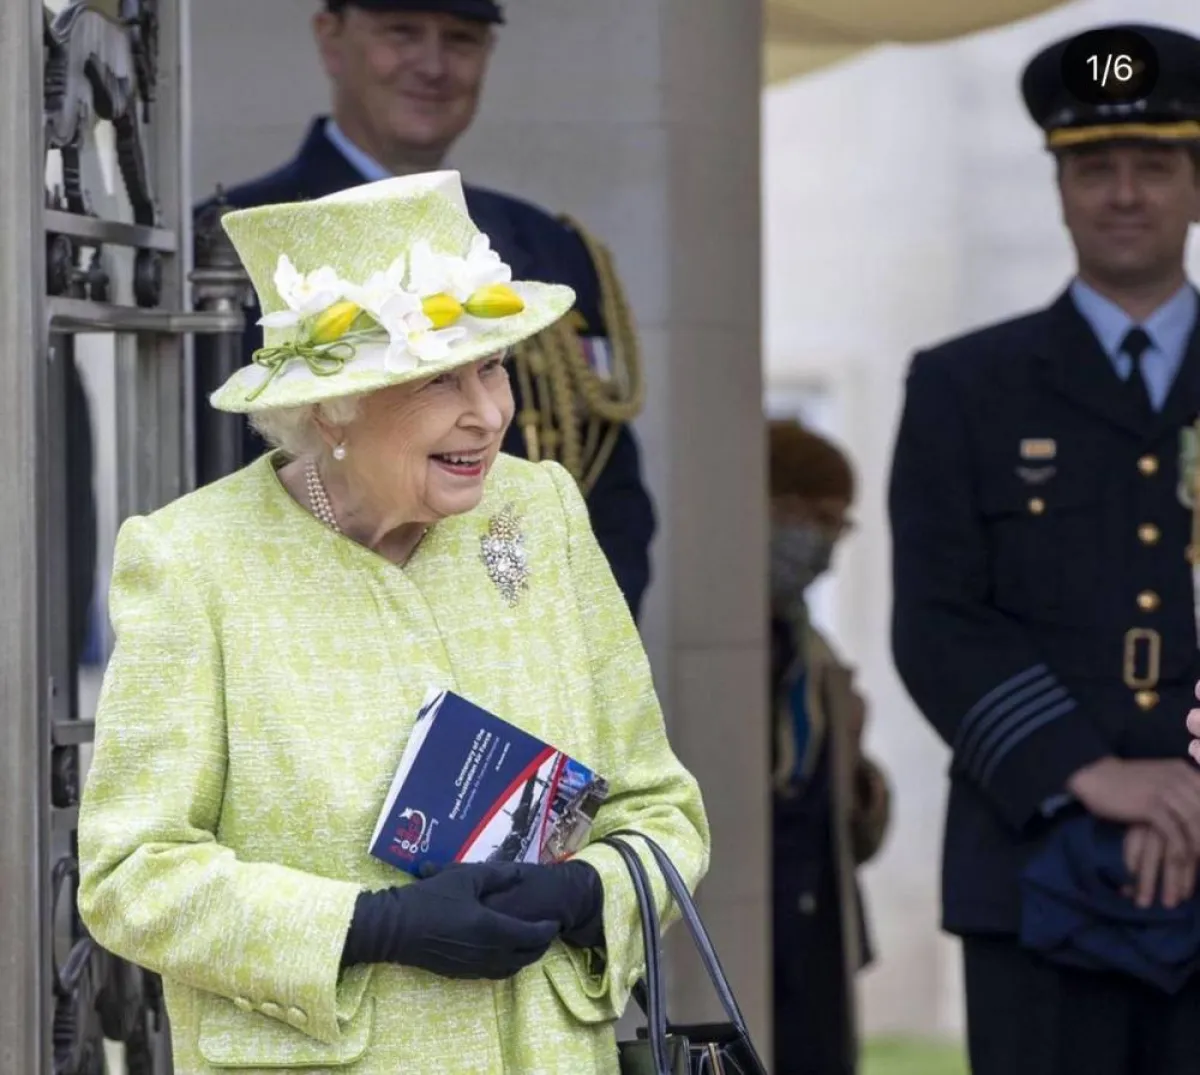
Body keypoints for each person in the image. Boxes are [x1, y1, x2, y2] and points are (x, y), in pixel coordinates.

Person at [77, 171, 709, 1074]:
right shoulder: (194, 561)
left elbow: (664, 811)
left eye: (493, 365)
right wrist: (370, 927)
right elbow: (130, 872)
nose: (489, 414)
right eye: (439, 378)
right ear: (329, 408)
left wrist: (585, 892)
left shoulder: (540, 513)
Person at [890, 22, 1200, 1075]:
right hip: (1030, 871)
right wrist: (1095, 772)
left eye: (1154, 163)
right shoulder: (963, 388)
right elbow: (935, 618)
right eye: (1094, 166)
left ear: (1196, 184)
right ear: (1059, 186)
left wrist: (1187, 780)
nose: (1124, 192)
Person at [194, 0, 656, 621]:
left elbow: (610, 487)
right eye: (402, 33)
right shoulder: (233, 243)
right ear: (331, 38)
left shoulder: (549, 246)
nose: (433, 65)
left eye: (461, 40)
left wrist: (573, 642)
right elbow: (215, 474)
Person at [768, 420, 889, 1075]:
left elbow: (851, 829)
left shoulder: (814, 655)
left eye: (837, 525)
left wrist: (857, 771)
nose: (820, 545)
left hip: (814, 933)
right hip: (751, 927)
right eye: (807, 516)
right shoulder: (715, 647)